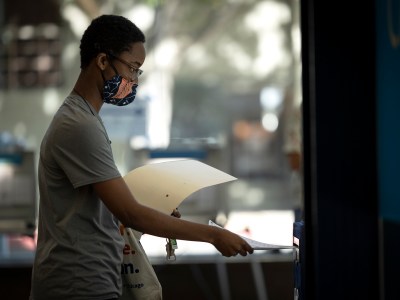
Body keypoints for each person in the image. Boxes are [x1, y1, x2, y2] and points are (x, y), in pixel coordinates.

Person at [29, 14, 253, 300]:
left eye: (138, 72)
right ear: (101, 61)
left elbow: (106, 208)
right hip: (77, 284)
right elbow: (130, 214)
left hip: (89, 278)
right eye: (132, 68)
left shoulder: (86, 118)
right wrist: (214, 235)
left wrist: (152, 208)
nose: (134, 80)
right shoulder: (79, 125)